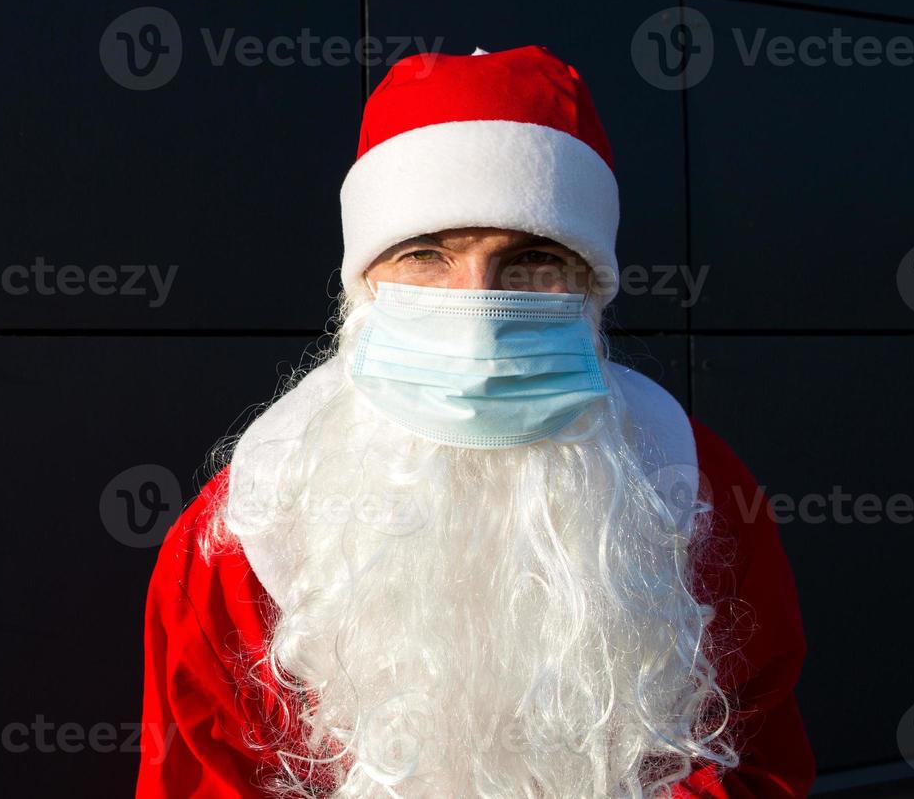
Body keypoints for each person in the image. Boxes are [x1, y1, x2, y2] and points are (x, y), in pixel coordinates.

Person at [135, 46, 814, 797]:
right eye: (427, 254)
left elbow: (753, 753)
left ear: (592, 284)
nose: (478, 312)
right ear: (363, 284)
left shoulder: (695, 484)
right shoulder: (247, 528)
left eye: (530, 259)